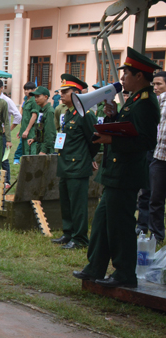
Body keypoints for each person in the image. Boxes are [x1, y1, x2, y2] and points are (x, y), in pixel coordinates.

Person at [73, 47, 160, 288]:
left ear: (139, 76)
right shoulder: (134, 99)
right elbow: (127, 129)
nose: (122, 80)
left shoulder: (146, 102)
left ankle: (125, 273)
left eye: (126, 75)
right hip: (115, 172)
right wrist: (111, 118)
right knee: (102, 222)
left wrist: (112, 139)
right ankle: (95, 267)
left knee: (120, 224)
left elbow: (145, 141)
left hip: (126, 174)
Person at [51, 75, 100, 250]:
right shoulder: (68, 113)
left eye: (65, 92)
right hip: (65, 163)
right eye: (61, 92)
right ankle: (68, 233)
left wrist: (88, 158)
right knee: (66, 200)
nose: (61, 95)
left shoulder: (85, 114)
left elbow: (94, 140)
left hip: (78, 165)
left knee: (78, 204)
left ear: (77, 93)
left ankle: (80, 238)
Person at [144, 71, 166, 243]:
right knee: (155, 199)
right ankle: (157, 236)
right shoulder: (155, 102)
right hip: (159, 156)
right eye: (154, 85)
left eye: (159, 84)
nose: (156, 88)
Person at [0, 80, 20, 184]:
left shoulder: (6, 101)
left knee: (3, 158)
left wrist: (8, 129)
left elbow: (18, 116)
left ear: (1, 88)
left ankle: (7, 181)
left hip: (2, 134)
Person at [27, 86, 56, 155]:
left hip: (46, 148)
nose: (36, 99)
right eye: (35, 97)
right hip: (40, 145)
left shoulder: (49, 111)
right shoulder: (41, 110)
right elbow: (41, 129)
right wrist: (34, 138)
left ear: (45, 97)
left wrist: (44, 150)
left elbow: (49, 133)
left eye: (38, 96)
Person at [18, 82, 39, 156]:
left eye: (28, 89)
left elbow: (34, 116)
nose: (26, 91)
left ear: (34, 90)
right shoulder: (26, 100)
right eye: (25, 89)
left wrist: (27, 130)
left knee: (30, 152)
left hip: (31, 131)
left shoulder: (34, 100)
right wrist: (21, 130)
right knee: (24, 152)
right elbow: (25, 117)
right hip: (24, 130)